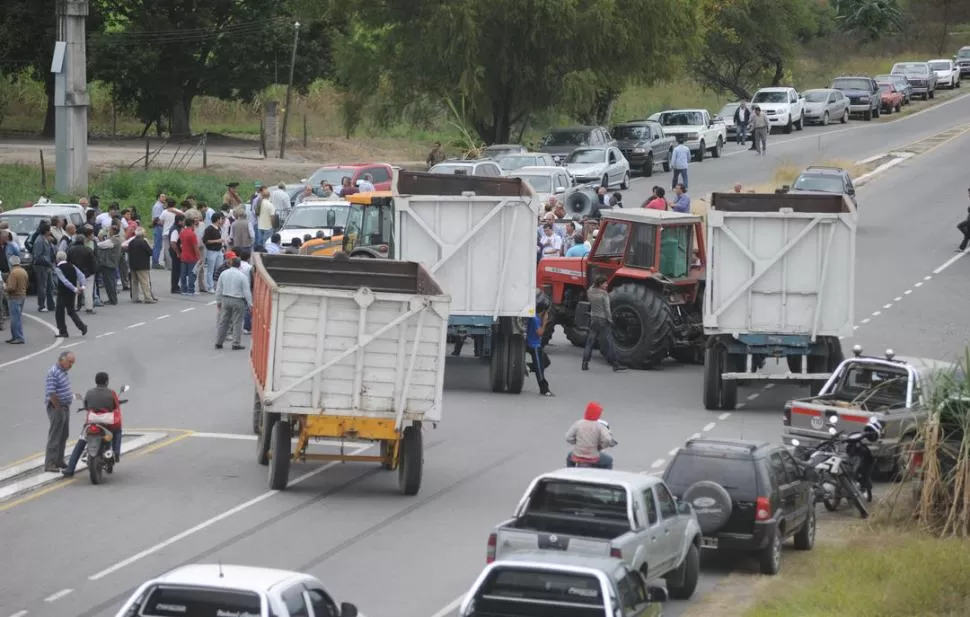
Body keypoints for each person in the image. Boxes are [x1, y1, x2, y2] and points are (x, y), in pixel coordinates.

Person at [62, 371, 124, 477]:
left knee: (81, 441)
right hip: (107, 421)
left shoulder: (89, 392)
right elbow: (115, 406)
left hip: (92, 421)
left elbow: (86, 405)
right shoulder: (111, 393)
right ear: (107, 382)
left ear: (96, 381)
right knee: (117, 431)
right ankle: (116, 453)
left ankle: (70, 469)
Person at [582, 275, 626, 372]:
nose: (606, 285)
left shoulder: (590, 292)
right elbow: (607, 309)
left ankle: (585, 363)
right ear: (600, 284)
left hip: (593, 319)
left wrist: (596, 283)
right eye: (605, 283)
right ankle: (615, 364)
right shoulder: (604, 294)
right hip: (603, 320)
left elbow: (592, 287)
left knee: (590, 342)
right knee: (610, 342)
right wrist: (610, 320)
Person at [44, 351, 78, 472]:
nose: (71, 365)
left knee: (63, 435)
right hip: (56, 408)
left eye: (72, 363)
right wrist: (58, 408)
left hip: (64, 407)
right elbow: (51, 393)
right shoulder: (54, 372)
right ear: (62, 360)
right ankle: (50, 463)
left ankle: (59, 460)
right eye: (70, 362)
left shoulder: (63, 371)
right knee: (55, 436)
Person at [214, 257, 253, 350]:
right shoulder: (242, 276)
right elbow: (246, 291)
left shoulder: (224, 274)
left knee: (223, 321)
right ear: (239, 265)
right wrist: (250, 303)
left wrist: (218, 301)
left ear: (231, 264)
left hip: (225, 298)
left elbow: (219, 289)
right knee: (237, 322)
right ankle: (236, 343)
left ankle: (219, 342)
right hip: (238, 300)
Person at [565, 402, 614, 469]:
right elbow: (607, 440)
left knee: (569, 457)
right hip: (593, 457)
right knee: (609, 461)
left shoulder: (579, 423)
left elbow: (568, 437)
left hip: (577, 455)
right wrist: (601, 447)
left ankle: (569, 474)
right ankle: (604, 477)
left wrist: (578, 443)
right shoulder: (600, 426)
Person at [54, 250, 88, 337]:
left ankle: (63, 331)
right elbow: (82, 276)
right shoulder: (72, 266)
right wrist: (82, 286)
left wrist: (75, 289)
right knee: (71, 311)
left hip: (63, 292)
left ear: (57, 259)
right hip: (71, 293)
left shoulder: (58, 269)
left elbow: (64, 281)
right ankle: (82, 327)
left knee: (59, 312)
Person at [526, 293, 553, 396]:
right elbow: (540, 333)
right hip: (534, 346)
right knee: (539, 368)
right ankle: (544, 389)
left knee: (546, 362)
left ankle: (527, 367)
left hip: (537, 344)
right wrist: (545, 322)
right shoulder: (535, 319)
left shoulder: (535, 316)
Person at [30, 220, 56, 312]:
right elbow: (38, 256)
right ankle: (41, 305)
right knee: (42, 286)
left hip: (47, 265)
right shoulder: (39, 241)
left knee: (50, 285)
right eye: (49, 230)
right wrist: (48, 262)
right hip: (41, 266)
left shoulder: (46, 239)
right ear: (46, 231)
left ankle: (51, 304)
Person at [126, 227, 156, 303]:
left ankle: (135, 298)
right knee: (145, 282)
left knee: (134, 282)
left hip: (133, 265)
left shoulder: (131, 242)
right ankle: (148, 298)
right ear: (142, 234)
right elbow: (150, 252)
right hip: (142, 265)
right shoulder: (143, 242)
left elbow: (128, 251)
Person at [5, 254, 28, 344]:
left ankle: (18, 337)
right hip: (22, 295)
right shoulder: (23, 271)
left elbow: (11, 287)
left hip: (14, 297)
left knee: (15, 318)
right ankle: (15, 336)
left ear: (11, 263)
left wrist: (4, 287)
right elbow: (26, 284)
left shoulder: (13, 273)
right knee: (18, 317)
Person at [179, 217, 201, 294]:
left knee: (183, 274)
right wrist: (199, 257)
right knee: (192, 273)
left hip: (184, 255)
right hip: (192, 256)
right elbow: (195, 247)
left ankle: (183, 289)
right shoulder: (192, 234)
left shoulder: (182, 232)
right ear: (192, 224)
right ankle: (191, 290)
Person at [169, 214, 186, 293]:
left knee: (177, 269)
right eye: (183, 221)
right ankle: (174, 287)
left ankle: (175, 285)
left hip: (176, 251)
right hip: (175, 251)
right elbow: (173, 243)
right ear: (179, 221)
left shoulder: (179, 228)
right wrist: (178, 253)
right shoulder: (175, 229)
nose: (184, 222)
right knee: (176, 269)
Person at [150, 192, 167, 268]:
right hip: (159, 227)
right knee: (158, 245)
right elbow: (157, 219)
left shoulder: (161, 206)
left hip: (159, 227)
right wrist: (164, 224)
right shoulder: (158, 206)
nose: (164, 198)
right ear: (158, 198)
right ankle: (155, 262)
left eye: (164, 197)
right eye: (162, 197)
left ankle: (155, 261)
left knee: (158, 244)